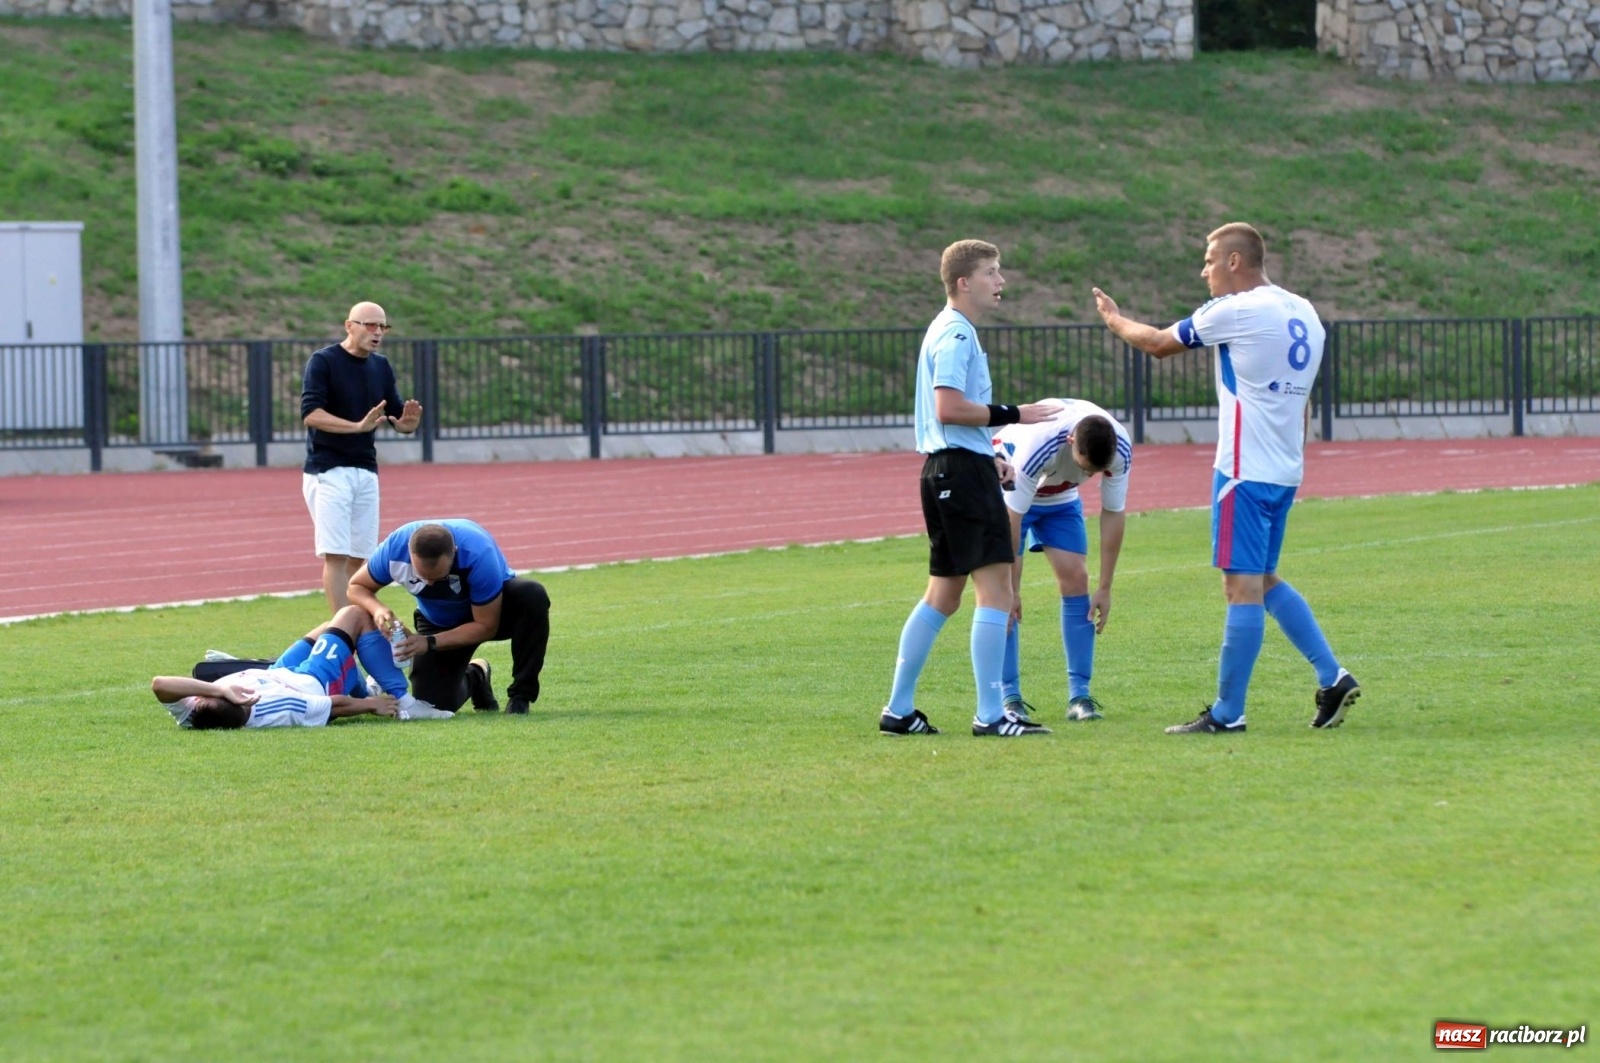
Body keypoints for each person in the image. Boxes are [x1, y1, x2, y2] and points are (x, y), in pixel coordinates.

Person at [1092, 222, 1360, 734]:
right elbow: (1300, 402)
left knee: (1240, 589)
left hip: (1243, 471)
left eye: (1210, 259)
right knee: (1261, 580)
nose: (1204, 270)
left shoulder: (1236, 309)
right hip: (1284, 469)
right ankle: (1333, 677)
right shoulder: (1303, 311)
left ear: (1235, 262)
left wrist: (1114, 320)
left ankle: (1228, 713)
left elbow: (1158, 344)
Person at [879, 239, 1063, 738]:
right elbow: (949, 408)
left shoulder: (949, 330)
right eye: (992, 272)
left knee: (943, 594)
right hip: (960, 475)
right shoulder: (956, 334)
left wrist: (993, 455)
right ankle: (990, 715)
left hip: (946, 470)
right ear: (964, 282)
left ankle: (898, 710)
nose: (1000, 281)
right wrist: (1015, 415)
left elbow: (954, 421)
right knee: (997, 591)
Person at [992, 399, 1132, 724]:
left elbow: (1113, 513)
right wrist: (1011, 588)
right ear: (1071, 441)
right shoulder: (1039, 445)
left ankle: (1079, 696)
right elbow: (1013, 518)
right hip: (1008, 491)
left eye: (1096, 471)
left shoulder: (1119, 448)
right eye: (1085, 466)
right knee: (1001, 598)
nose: (1089, 474)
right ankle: (1009, 698)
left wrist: (1106, 587)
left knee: (1076, 580)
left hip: (1059, 497)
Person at [349, 519, 551, 716]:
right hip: (438, 620)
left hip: (492, 613)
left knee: (531, 595)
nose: (428, 584)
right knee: (435, 703)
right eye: (421, 576)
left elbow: (485, 625)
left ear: (454, 552)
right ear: (409, 554)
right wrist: (378, 610)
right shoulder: (395, 548)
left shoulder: (478, 552)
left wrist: (429, 642)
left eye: (437, 577)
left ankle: (521, 696)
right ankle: (476, 676)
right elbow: (356, 586)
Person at [301, 301, 423, 613]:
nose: (378, 332)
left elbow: (396, 412)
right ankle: (343, 635)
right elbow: (311, 414)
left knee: (360, 558)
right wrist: (356, 427)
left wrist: (407, 426)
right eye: (370, 325)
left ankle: (356, 628)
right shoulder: (323, 361)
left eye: (383, 326)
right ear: (349, 326)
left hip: (366, 471)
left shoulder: (380, 366)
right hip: (328, 471)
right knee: (336, 555)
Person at [151, 605, 451, 729]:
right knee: (354, 616)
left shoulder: (195, 712)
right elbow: (334, 705)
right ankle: (404, 699)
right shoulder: (274, 707)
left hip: (278, 672)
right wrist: (371, 705)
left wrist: (218, 687)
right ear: (240, 705)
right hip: (311, 679)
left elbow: (160, 684)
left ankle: (366, 679)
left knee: (327, 629)